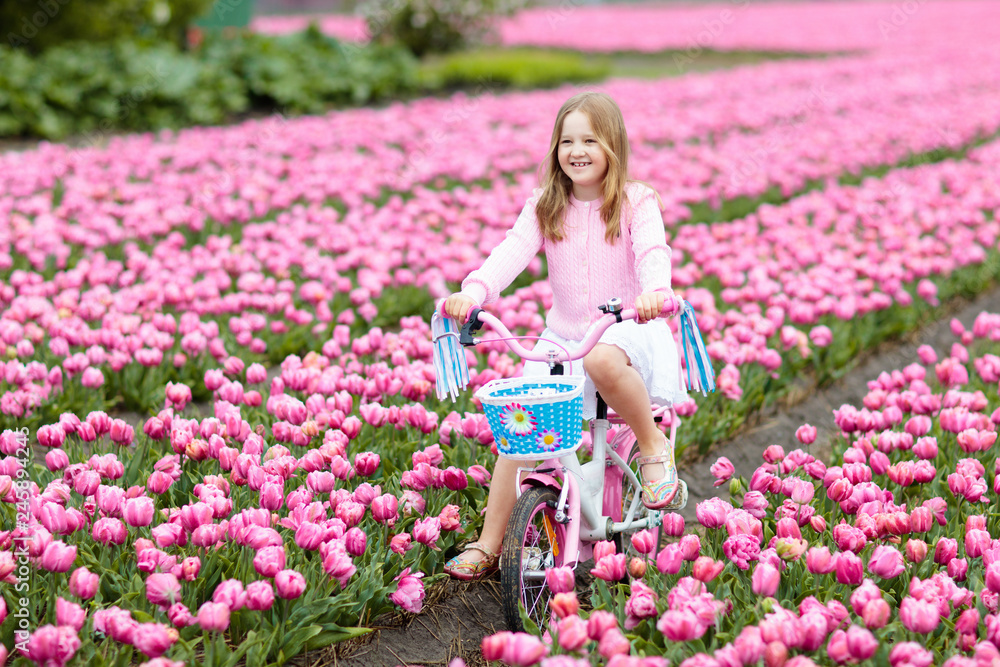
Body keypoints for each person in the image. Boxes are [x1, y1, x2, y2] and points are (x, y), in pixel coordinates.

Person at [441, 91, 687, 580]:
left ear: (612, 146)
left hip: (627, 329)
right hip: (562, 339)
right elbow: (511, 251)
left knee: (601, 361)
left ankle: (653, 446)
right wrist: (474, 291)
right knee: (520, 431)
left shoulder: (636, 202)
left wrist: (656, 291)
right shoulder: (546, 204)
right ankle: (491, 544)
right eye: (567, 140)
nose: (577, 150)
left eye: (590, 140)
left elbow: (653, 253)